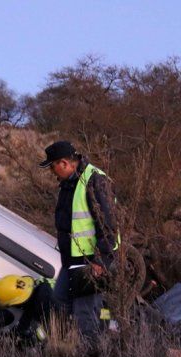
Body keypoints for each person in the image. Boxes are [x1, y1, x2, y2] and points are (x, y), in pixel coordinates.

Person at [39, 141, 120, 337]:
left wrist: (100, 261)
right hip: (73, 260)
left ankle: (92, 353)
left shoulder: (95, 181)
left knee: (84, 311)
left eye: (52, 166)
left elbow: (108, 224)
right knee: (59, 299)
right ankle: (78, 343)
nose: (52, 172)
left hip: (92, 260)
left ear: (65, 163)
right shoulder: (69, 183)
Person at [0, 274, 55, 343]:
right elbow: (30, 308)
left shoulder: (44, 305)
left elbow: (52, 330)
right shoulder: (35, 287)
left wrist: (35, 339)